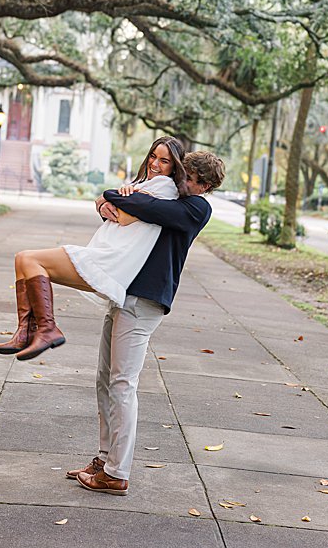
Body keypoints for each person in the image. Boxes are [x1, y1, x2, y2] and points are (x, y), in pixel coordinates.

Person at [69, 150, 226, 495]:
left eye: (190, 179)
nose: (181, 183)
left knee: (123, 383)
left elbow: (146, 209)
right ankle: (104, 458)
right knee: (104, 379)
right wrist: (108, 202)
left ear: (205, 185)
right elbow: (128, 213)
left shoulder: (195, 208)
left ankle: (116, 472)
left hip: (145, 302)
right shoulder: (169, 195)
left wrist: (112, 195)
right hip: (125, 294)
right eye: (182, 176)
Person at [0, 137, 188, 361]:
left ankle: (47, 329)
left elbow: (123, 217)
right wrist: (110, 200)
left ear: (175, 166)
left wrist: (112, 199)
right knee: (22, 260)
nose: (155, 164)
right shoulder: (146, 185)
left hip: (110, 260)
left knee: (29, 260)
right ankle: (25, 332)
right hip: (106, 255)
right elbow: (111, 205)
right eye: (153, 156)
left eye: (164, 161)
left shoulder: (164, 186)